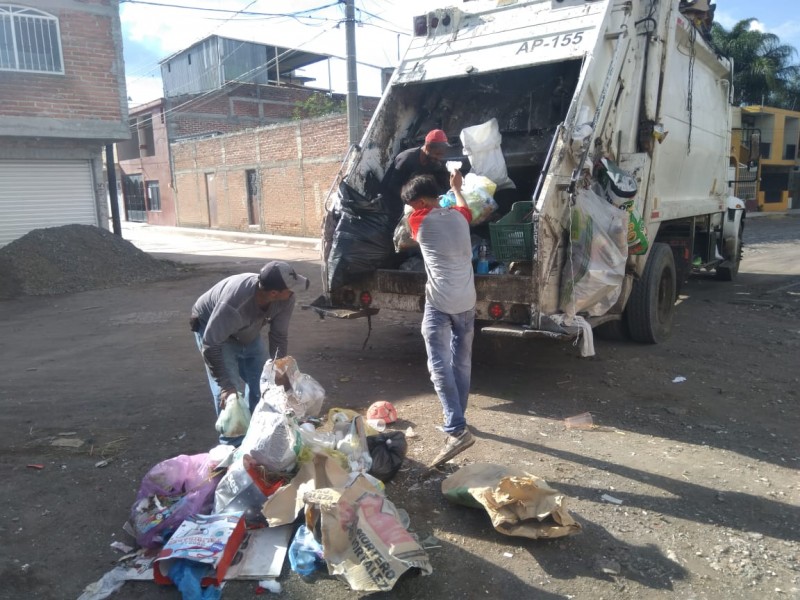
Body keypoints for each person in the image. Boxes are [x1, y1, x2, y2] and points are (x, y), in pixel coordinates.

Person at [402, 171, 477, 468]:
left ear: (419, 203)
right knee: (462, 361)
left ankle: (457, 428)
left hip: (440, 303)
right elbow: (465, 208)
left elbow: (408, 235)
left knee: (438, 365)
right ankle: (458, 416)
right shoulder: (459, 218)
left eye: (410, 204)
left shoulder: (418, 221)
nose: (409, 210)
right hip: (468, 301)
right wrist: (456, 188)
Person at [190, 260, 309, 443]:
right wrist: (225, 385)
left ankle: (259, 435)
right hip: (216, 332)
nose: (294, 292)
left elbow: (278, 335)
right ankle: (233, 447)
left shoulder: (286, 299)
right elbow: (211, 344)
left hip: (247, 330)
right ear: (273, 293)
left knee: (265, 384)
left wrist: (279, 370)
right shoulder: (234, 304)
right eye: (290, 288)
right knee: (232, 396)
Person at [382, 129, 453, 223]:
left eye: (441, 155)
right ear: (427, 147)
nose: (439, 158)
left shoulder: (434, 162)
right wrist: (412, 201)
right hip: (395, 202)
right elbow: (392, 187)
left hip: (416, 200)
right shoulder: (406, 159)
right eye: (437, 154)